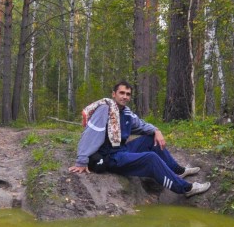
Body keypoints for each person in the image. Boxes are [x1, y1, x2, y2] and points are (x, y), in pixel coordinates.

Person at [68, 81, 211, 197]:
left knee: (150, 139)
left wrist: (156, 130)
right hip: (109, 158)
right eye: (121, 93)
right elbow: (91, 134)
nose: (125, 97)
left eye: (128, 94)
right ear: (114, 94)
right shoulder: (105, 110)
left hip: (121, 151)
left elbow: (141, 125)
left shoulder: (126, 113)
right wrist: (81, 161)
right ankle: (186, 189)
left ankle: (178, 171)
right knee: (150, 158)